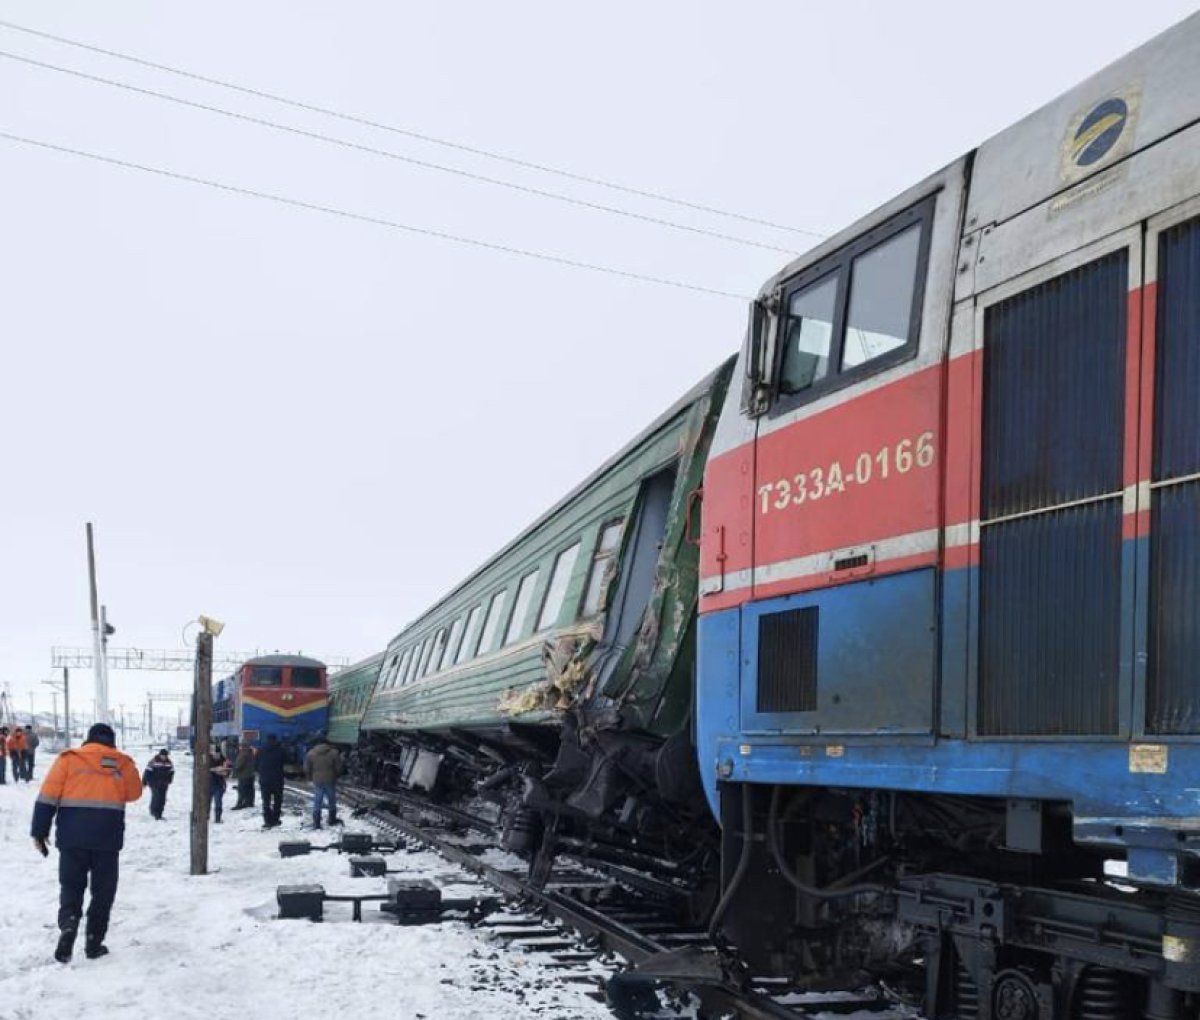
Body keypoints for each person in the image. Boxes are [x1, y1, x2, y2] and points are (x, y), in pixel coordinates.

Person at [31, 722, 142, 963]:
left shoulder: (68, 759)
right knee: (103, 892)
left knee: (71, 887)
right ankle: (93, 942)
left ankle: (69, 926)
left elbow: (47, 797)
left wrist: (39, 832)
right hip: (107, 840)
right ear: (112, 741)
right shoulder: (122, 762)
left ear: (88, 740)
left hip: (72, 839)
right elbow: (134, 794)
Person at [303, 736, 344, 830]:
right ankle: (332, 819)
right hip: (330, 779)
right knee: (331, 800)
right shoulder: (334, 753)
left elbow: (306, 768)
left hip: (317, 780)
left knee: (318, 800)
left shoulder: (311, 753)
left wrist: (309, 778)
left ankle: (317, 822)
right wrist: (337, 775)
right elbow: (339, 767)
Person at [256, 734, 285, 828]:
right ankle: (275, 819)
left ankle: (267, 821)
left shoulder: (261, 750)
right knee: (278, 800)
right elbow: (286, 760)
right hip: (277, 779)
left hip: (264, 780)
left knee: (266, 801)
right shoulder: (280, 750)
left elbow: (256, 764)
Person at [141, 749, 174, 820]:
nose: (164, 757)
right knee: (156, 796)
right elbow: (147, 772)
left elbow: (171, 772)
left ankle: (160, 812)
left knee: (162, 798)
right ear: (160, 755)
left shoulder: (169, 762)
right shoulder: (153, 761)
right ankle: (155, 812)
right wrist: (144, 782)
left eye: (165, 756)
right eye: (163, 756)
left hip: (164, 783)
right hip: (153, 782)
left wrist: (169, 780)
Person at [208, 746, 231, 823]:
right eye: (214, 753)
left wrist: (222, 772)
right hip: (208, 784)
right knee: (207, 802)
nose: (215, 755)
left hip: (219, 784)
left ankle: (218, 818)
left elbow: (227, 771)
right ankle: (205, 817)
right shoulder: (208, 759)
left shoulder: (224, 760)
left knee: (218, 802)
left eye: (217, 753)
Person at [231, 741, 256, 810]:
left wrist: (233, 767)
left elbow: (239, 765)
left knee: (241, 790)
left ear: (242, 747)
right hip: (250, 774)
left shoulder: (243, 754)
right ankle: (250, 802)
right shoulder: (250, 753)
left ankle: (240, 804)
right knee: (250, 790)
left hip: (243, 775)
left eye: (240, 746)